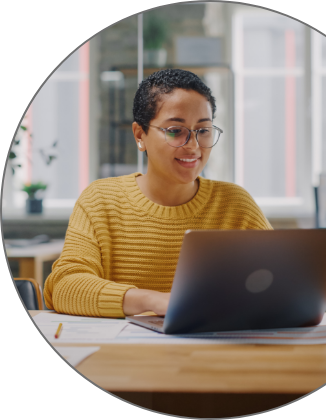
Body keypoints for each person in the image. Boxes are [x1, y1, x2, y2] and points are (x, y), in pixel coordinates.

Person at [44, 69, 273, 318]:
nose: (193, 146)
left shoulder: (235, 204)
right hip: (127, 354)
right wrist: (153, 300)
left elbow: (282, 281)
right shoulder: (100, 200)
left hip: (214, 349)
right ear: (140, 135)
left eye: (203, 131)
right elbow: (65, 286)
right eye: (176, 130)